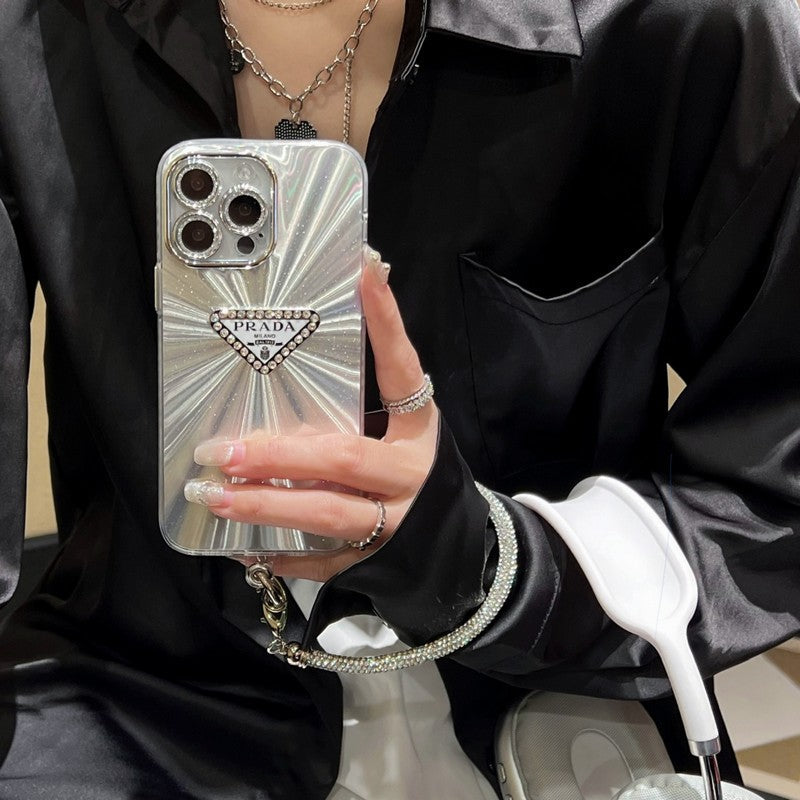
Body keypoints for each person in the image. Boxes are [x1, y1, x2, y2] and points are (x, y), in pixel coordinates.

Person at [1, 0, 799, 797]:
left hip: (557, 700)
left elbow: (773, 491)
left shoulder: (686, 27)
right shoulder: (30, 36)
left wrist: (492, 564)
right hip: (139, 702)